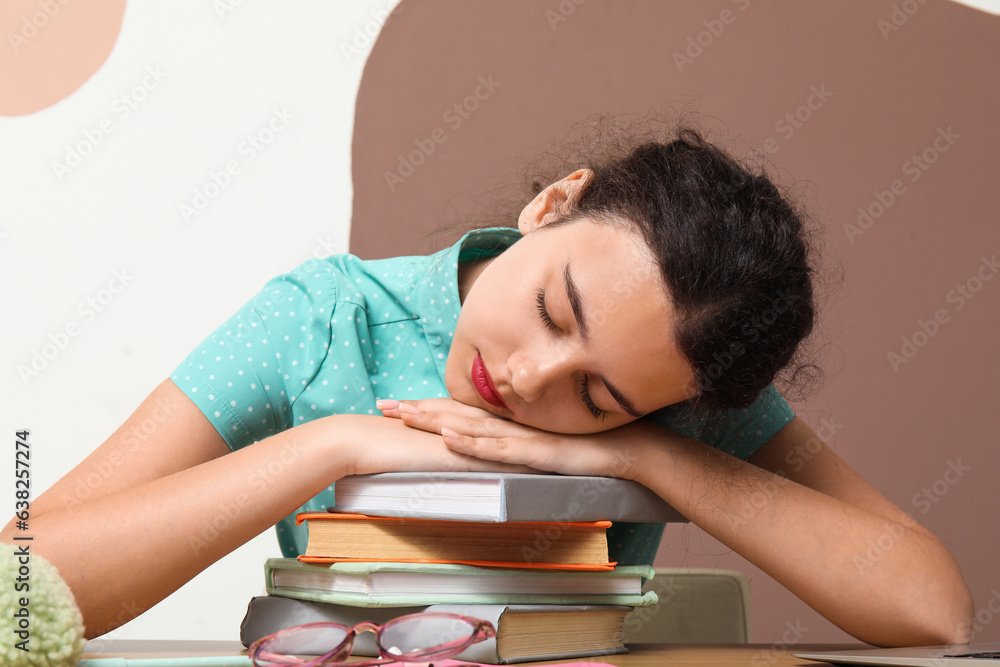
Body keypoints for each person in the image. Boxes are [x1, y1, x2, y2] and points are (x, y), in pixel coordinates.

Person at [1, 124, 973, 646]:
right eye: (554, 311)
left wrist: (649, 456)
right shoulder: (325, 316)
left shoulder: (669, 388)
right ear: (552, 207)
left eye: (595, 396)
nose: (526, 377)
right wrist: (333, 445)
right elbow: (15, 587)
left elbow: (930, 605)